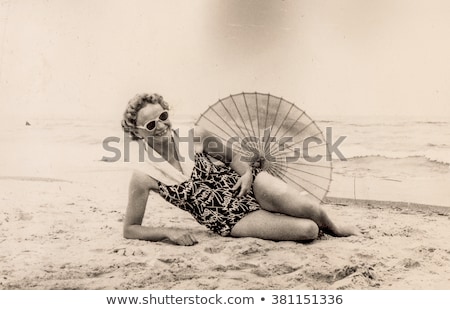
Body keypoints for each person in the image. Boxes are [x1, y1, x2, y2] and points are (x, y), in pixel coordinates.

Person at [121, 93, 359, 246]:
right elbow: (131, 229)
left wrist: (246, 174)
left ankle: (335, 228)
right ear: (137, 132)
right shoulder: (144, 175)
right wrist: (168, 234)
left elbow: (233, 156)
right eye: (151, 124)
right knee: (307, 229)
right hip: (230, 218)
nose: (161, 125)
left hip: (251, 187)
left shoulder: (195, 136)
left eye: (163, 116)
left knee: (310, 208)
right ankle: (281, 216)